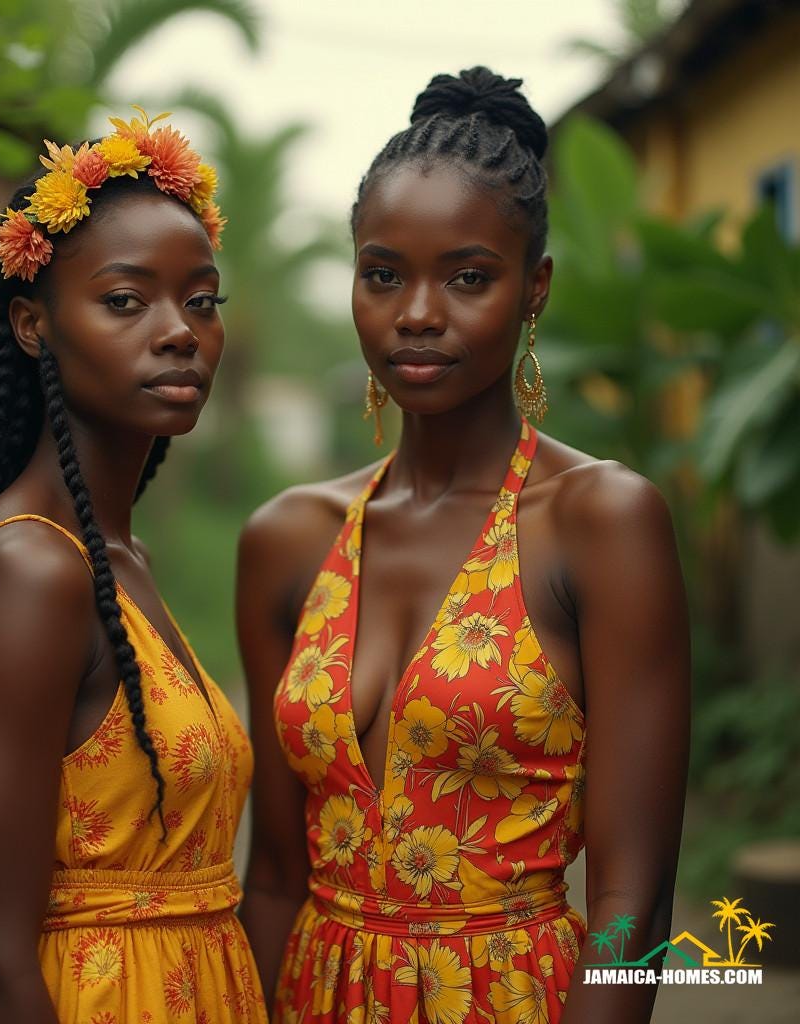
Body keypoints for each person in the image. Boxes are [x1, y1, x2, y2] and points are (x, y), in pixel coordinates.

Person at [237, 68, 690, 1024]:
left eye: (469, 277)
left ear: (536, 290)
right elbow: (274, 877)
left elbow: (629, 899)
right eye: (384, 273)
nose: (417, 314)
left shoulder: (599, 522)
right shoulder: (287, 541)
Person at [0, 108, 265, 1024]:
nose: (180, 331)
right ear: (31, 324)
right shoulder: (33, 570)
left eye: (202, 300)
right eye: (126, 300)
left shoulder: (113, 555)